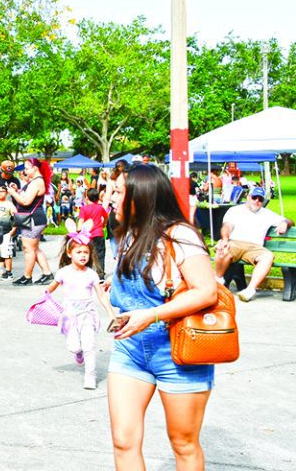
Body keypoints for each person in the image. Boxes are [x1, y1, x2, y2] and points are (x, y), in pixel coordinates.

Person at [106, 164, 218, 471]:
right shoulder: (127, 233)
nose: (110, 198)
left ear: (140, 196)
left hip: (177, 351)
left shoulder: (180, 235)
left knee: (183, 444)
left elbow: (207, 291)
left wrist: (152, 314)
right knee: (123, 441)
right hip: (130, 350)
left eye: (117, 191)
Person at [44, 220, 114, 389]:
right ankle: (78, 353)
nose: (83, 255)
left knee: (90, 345)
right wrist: (44, 297)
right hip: (69, 316)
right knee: (74, 347)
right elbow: (50, 288)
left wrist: (111, 313)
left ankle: (90, 376)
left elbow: (102, 295)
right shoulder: (63, 273)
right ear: (69, 253)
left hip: (87, 314)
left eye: (86, 252)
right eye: (78, 252)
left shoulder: (91, 274)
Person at [214, 186, 293, 302]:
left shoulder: (267, 214)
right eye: (254, 197)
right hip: (235, 243)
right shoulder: (235, 210)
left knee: (268, 257)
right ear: (248, 197)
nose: (257, 201)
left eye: (260, 199)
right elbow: (226, 226)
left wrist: (285, 223)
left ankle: (250, 290)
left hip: (255, 247)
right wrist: (225, 239)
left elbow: (289, 220)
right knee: (223, 249)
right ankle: (218, 280)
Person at [10, 158, 53, 286]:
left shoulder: (37, 182)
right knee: (35, 248)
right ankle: (47, 274)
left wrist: (12, 193)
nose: (25, 171)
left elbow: (25, 201)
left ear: (35, 168)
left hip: (33, 219)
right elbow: (27, 197)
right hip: (35, 218)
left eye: (27, 168)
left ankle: (27, 277)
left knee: (28, 249)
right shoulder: (36, 181)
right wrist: (18, 191)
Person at [77, 188, 109, 275]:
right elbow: (106, 217)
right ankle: (100, 274)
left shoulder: (84, 209)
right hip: (99, 234)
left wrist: (78, 230)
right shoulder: (100, 208)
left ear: (87, 198)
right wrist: (103, 224)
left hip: (87, 236)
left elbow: (81, 221)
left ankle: (87, 273)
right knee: (100, 255)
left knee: (87, 254)